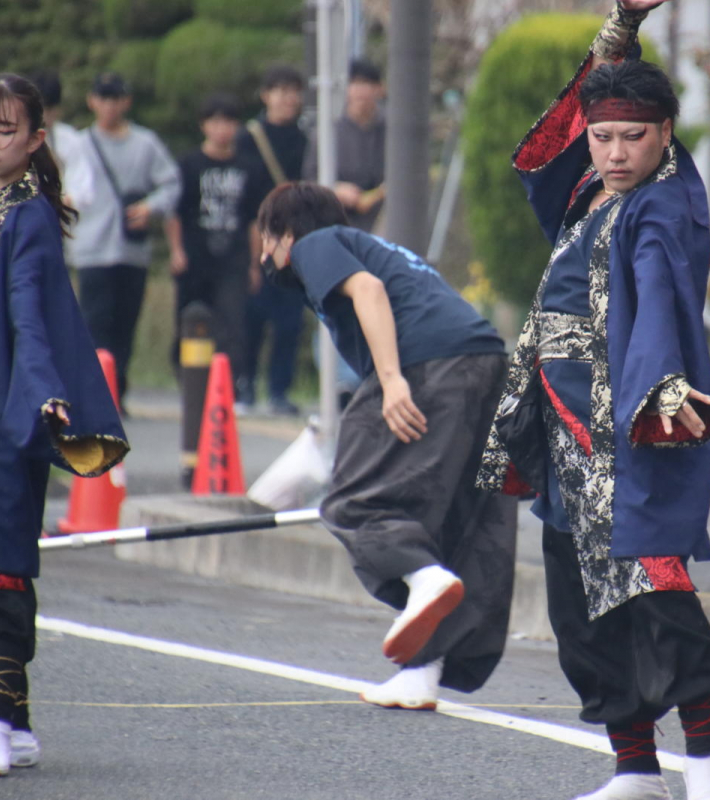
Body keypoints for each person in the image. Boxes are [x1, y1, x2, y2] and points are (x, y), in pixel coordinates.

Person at [475, 2, 710, 798]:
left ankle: (708, 766)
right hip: (559, 419)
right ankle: (633, 769)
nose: (616, 151)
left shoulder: (664, 206)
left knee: (655, 590)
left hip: (623, 421)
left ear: (665, 133)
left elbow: (659, 292)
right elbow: (549, 137)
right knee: (580, 604)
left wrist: (660, 384)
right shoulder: (586, 181)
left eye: (634, 136)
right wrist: (619, 27)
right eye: (604, 135)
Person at [0, 12, 129, 777]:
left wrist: (47, 393)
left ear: (34, 140)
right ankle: (13, 726)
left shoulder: (22, 215)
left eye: (4, 128)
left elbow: (29, 302)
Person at [256, 182, 516, 711]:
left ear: (284, 233)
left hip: (427, 365)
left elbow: (369, 292)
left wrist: (393, 381)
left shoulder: (316, 243)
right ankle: (423, 671)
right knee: (452, 521)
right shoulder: (372, 245)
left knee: (354, 500)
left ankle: (424, 578)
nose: (265, 255)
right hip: (485, 360)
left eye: (266, 239)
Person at [67, 71, 180, 408]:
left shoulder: (145, 144)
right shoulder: (80, 145)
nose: (109, 105)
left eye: (116, 98)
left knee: (125, 325)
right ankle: (97, 394)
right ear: (92, 101)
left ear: (126, 102)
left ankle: (119, 392)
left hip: (131, 250)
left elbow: (172, 183)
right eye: (103, 98)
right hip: (91, 249)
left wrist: (151, 207)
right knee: (94, 323)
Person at [165, 92, 263, 387]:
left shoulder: (249, 167)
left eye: (229, 122)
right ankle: (189, 379)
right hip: (195, 255)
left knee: (232, 323)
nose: (223, 129)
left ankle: (227, 383)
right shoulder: (188, 165)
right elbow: (175, 211)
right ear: (204, 125)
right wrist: (177, 251)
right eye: (216, 122)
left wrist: (255, 263)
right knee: (191, 317)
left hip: (233, 256)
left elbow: (254, 220)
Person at [237, 65, 309, 416]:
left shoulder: (306, 138)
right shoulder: (248, 137)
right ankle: (245, 385)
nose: (287, 98)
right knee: (252, 316)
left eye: (293, 90)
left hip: (295, 240)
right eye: (279, 90)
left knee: (289, 321)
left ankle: (279, 389)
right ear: (265, 95)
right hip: (255, 234)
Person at [301, 58, 385, 232]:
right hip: (339, 223)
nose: (360, 91)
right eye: (354, 84)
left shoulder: (392, 131)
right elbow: (309, 179)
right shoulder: (328, 132)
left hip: (383, 223)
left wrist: (378, 194)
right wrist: (335, 189)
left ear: (379, 89)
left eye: (367, 84)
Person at [27, 70, 94, 211]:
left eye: (49, 109)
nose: (44, 117)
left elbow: (83, 190)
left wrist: (58, 202)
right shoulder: (15, 137)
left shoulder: (70, 139)